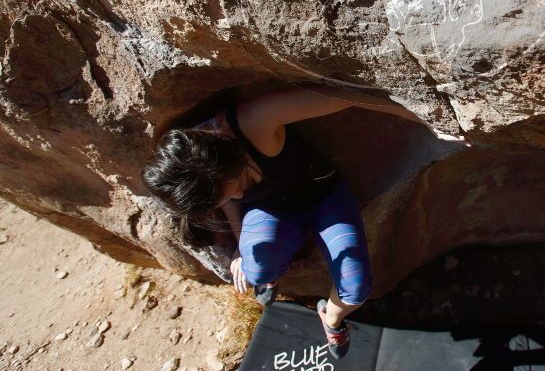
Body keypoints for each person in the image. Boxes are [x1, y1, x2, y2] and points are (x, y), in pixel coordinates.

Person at [140, 83, 456, 359]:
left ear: (226, 159)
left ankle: (330, 319)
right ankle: (270, 276)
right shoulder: (200, 176)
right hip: (272, 211)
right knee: (256, 267)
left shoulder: (253, 122)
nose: (236, 194)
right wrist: (241, 247)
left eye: (232, 184)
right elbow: (229, 200)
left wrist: (431, 122)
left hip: (323, 196)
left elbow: (343, 95)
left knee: (356, 288)